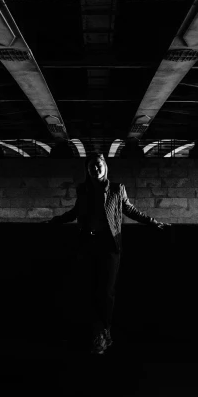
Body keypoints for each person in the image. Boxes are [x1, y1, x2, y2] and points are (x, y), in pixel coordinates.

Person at [45, 152, 171, 354]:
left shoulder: (116, 189)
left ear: (105, 166)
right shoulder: (83, 190)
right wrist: (55, 220)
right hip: (88, 244)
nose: (95, 168)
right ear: (87, 170)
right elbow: (75, 213)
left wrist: (152, 222)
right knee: (91, 288)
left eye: (98, 165)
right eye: (91, 166)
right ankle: (96, 331)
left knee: (107, 291)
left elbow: (130, 210)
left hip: (110, 246)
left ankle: (104, 330)